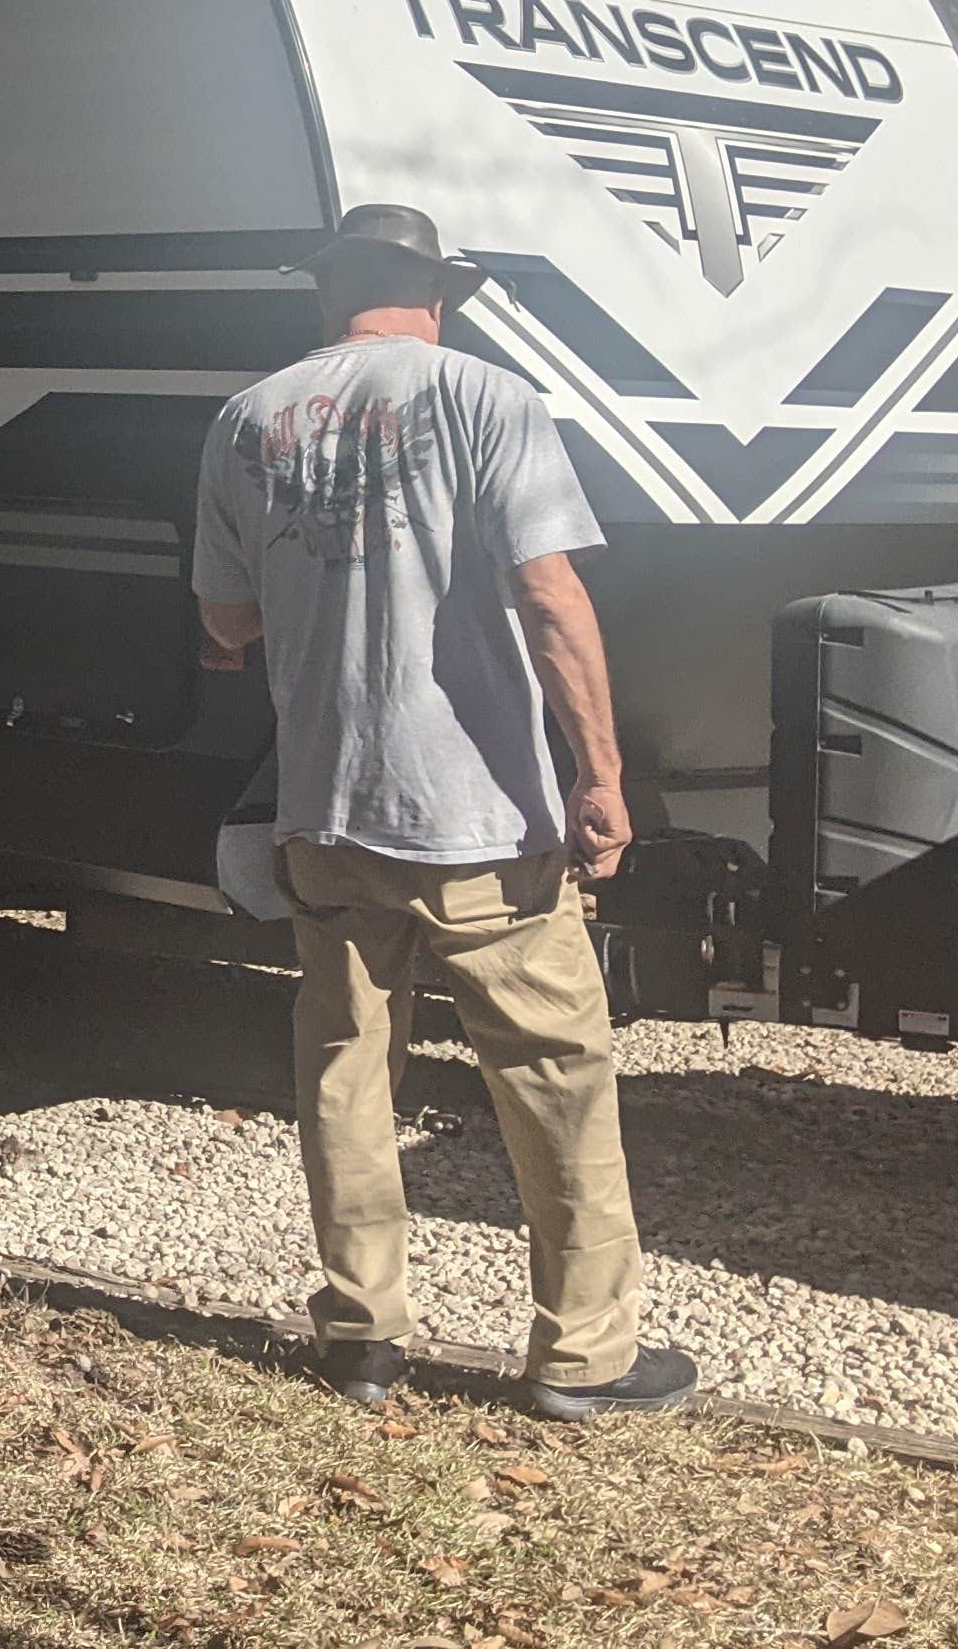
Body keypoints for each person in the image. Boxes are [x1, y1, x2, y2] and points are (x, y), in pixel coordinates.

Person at [191, 202, 697, 1421]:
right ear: (437, 297)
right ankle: (584, 1357)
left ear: (326, 293)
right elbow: (551, 597)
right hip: (480, 818)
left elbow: (226, 621)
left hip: (325, 809)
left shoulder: (246, 420)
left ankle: (363, 1339)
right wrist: (601, 775)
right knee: (554, 1071)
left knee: (345, 1068)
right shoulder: (487, 399)